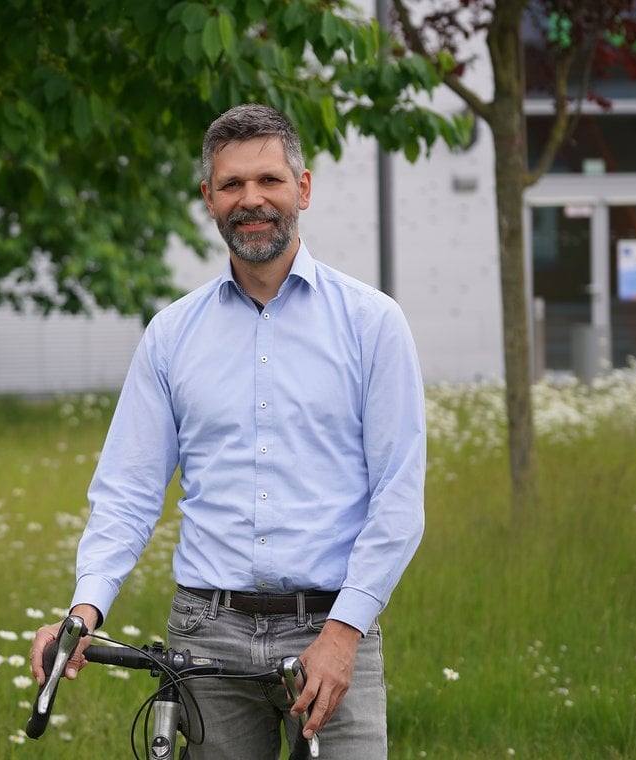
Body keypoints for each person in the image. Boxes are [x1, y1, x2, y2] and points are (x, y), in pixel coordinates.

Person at [30, 103, 425, 758]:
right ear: (208, 197)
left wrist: (343, 633)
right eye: (233, 184)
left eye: (269, 181)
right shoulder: (171, 336)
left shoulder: (373, 324)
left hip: (333, 627)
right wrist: (84, 609)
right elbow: (127, 493)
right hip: (205, 635)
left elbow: (398, 499)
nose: (252, 200)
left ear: (301, 189)